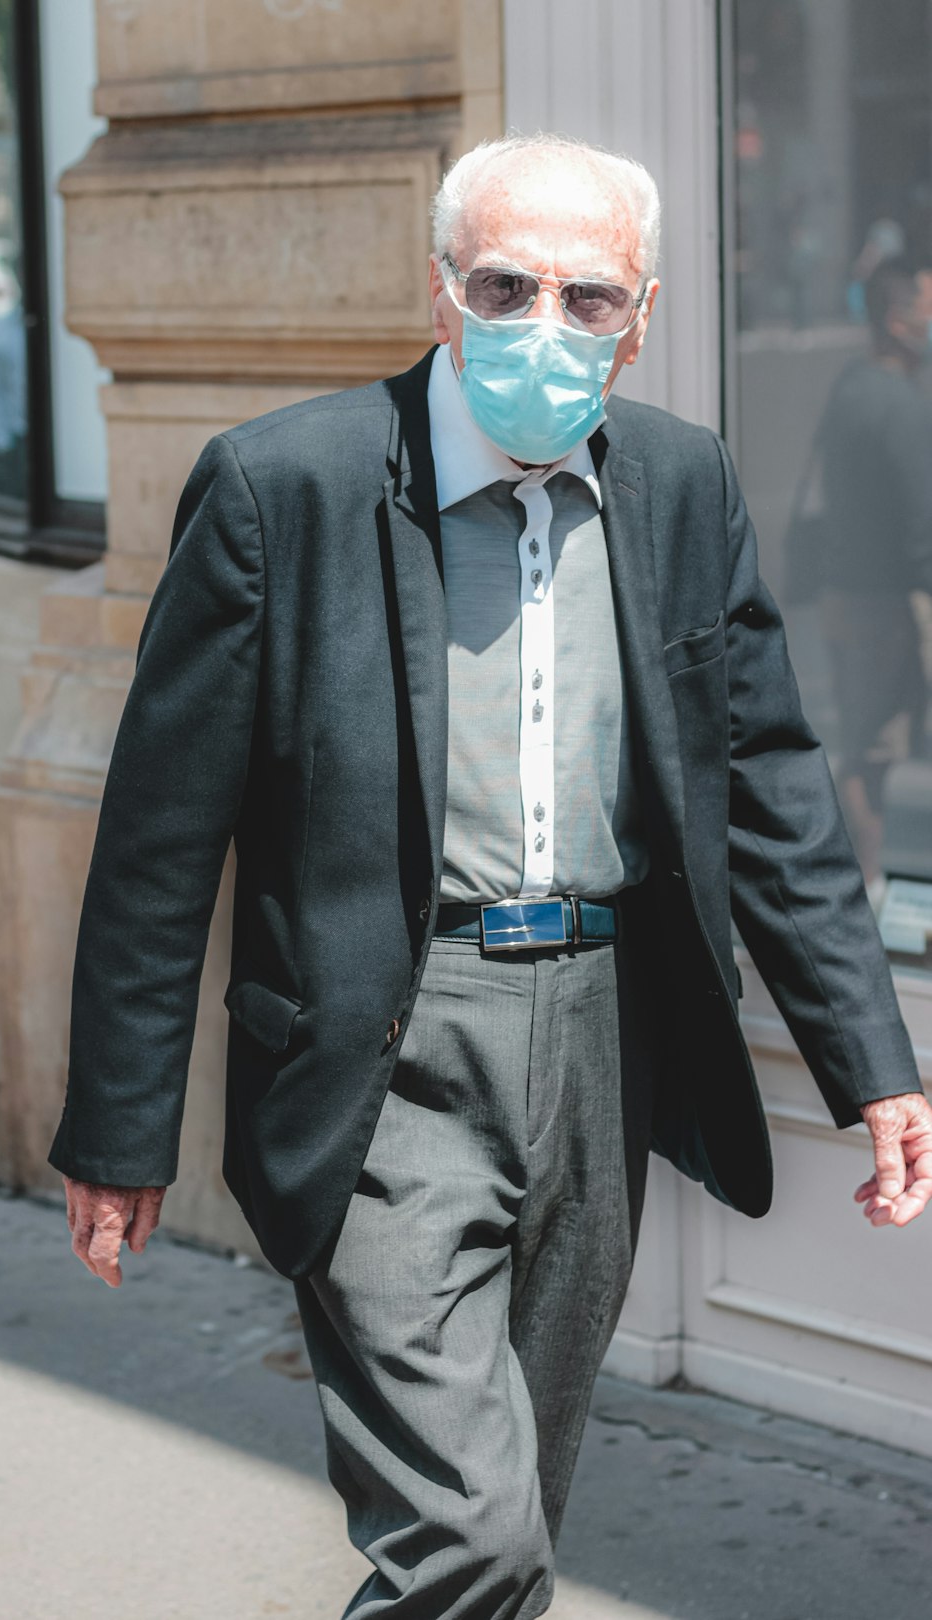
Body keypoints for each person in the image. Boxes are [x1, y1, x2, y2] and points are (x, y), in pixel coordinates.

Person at [49, 135, 932, 1619]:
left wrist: (870, 1059)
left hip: (602, 1031)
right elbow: (157, 834)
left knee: (514, 1508)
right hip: (381, 1041)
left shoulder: (679, 482)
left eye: (587, 298)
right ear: (443, 290)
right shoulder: (289, 489)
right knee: (471, 1540)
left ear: (641, 315)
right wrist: (119, 1124)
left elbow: (768, 783)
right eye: (505, 285)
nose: (543, 323)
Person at [815, 257, 932, 890]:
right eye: (926, 307)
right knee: (876, 748)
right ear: (897, 318)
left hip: (848, 595)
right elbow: (922, 526)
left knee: (865, 746)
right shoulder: (900, 406)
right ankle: (878, 889)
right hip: (886, 603)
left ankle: (871, 883)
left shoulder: (853, 387)